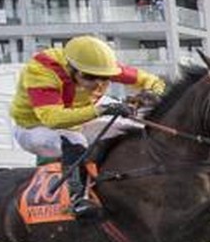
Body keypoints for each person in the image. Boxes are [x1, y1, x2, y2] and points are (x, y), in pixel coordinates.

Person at [10, 35, 165, 219]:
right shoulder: (41, 71)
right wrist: (101, 110)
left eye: (104, 78)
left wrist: (149, 94)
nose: (98, 84)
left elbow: (153, 81)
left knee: (136, 125)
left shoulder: (99, 67)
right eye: (90, 77)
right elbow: (53, 119)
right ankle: (78, 200)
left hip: (79, 118)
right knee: (74, 138)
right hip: (35, 128)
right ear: (71, 68)